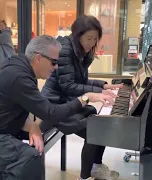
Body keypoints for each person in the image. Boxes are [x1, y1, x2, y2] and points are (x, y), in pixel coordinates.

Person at [0, 35, 115, 180]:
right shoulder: (19, 76)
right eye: (54, 62)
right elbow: (49, 112)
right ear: (38, 58)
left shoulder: (21, 70)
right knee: (30, 157)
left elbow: (22, 106)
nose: (56, 67)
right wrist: (85, 98)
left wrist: (32, 126)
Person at [39, 15, 121, 180]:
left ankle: (95, 166)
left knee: (100, 121)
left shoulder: (80, 51)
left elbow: (80, 81)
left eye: (95, 39)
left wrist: (103, 85)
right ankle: (84, 177)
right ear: (78, 36)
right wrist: (95, 94)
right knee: (93, 129)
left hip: (66, 101)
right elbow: (68, 86)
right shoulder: (65, 50)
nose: (92, 42)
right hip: (53, 105)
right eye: (89, 38)